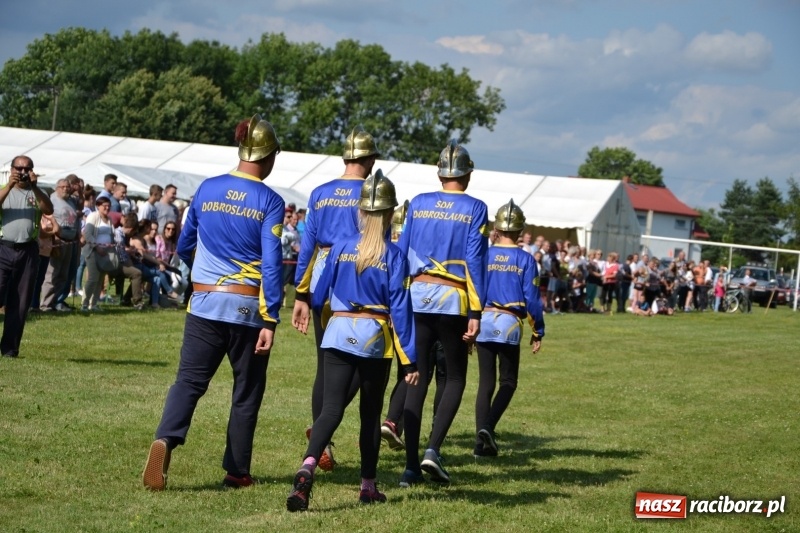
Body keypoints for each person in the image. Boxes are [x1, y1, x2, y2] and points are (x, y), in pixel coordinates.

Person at [142, 114, 284, 490]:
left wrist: (203, 278)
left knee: (189, 381)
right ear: (269, 155)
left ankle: (166, 437)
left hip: (204, 303)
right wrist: (271, 319)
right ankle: (237, 471)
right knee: (246, 392)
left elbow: (185, 244)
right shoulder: (271, 200)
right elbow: (272, 264)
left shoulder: (207, 188)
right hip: (248, 309)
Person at [286, 171, 419, 512]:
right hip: (374, 339)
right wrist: (410, 360)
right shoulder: (394, 255)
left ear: (360, 211)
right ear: (389, 215)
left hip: (337, 332)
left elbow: (319, 295)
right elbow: (400, 310)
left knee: (331, 410)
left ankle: (308, 466)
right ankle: (368, 486)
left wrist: (327, 319)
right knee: (370, 416)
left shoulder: (340, 247)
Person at [396, 139, 489, 486]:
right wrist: (476, 311)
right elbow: (475, 261)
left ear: (439, 174)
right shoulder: (476, 208)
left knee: (415, 378)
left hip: (416, 295)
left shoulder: (418, 203)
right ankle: (433, 450)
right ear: (468, 175)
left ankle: (409, 468)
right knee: (455, 378)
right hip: (453, 299)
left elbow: (402, 251)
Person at [291, 126, 380, 472]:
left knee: (325, 364)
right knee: (364, 359)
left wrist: (301, 292)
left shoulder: (320, 192)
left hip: (321, 277)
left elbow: (307, 246)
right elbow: (381, 242)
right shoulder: (372, 192)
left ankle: (322, 437)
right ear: (369, 160)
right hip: (358, 274)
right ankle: (324, 428)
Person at [474, 200, 544, 457]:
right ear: (520, 231)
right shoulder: (526, 259)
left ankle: (480, 445)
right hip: (509, 324)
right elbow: (532, 299)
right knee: (508, 382)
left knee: (485, 383)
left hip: (483, 321)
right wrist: (538, 331)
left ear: (497, 228)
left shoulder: (483, 255)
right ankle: (488, 427)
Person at [0, 155, 54, 357]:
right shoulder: (3, 189)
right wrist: (9, 185)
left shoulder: (37, 192)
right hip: (3, 247)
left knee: (20, 302)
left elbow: (49, 210)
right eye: (19, 168)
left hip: (28, 250)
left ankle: (9, 349)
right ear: (12, 169)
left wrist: (35, 187)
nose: (22, 172)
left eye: (27, 168)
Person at [39, 179, 79, 312]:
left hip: (70, 241)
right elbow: (46, 218)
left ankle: (56, 302)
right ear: (57, 187)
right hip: (57, 240)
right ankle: (45, 304)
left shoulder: (71, 201)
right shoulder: (51, 200)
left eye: (68, 187)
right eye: (63, 187)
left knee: (63, 274)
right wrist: (53, 236)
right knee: (53, 274)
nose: (65, 189)